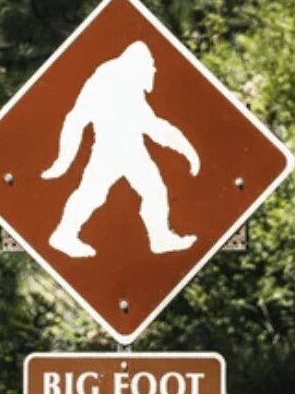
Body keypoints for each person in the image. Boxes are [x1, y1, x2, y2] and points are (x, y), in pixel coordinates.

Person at [41, 41, 200, 258]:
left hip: (132, 148)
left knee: (154, 190)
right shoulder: (107, 79)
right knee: (92, 194)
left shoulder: (131, 85)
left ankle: (161, 238)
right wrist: (63, 161)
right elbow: (76, 119)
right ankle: (64, 235)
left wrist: (186, 150)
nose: (153, 72)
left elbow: (152, 125)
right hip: (110, 149)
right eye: (150, 67)